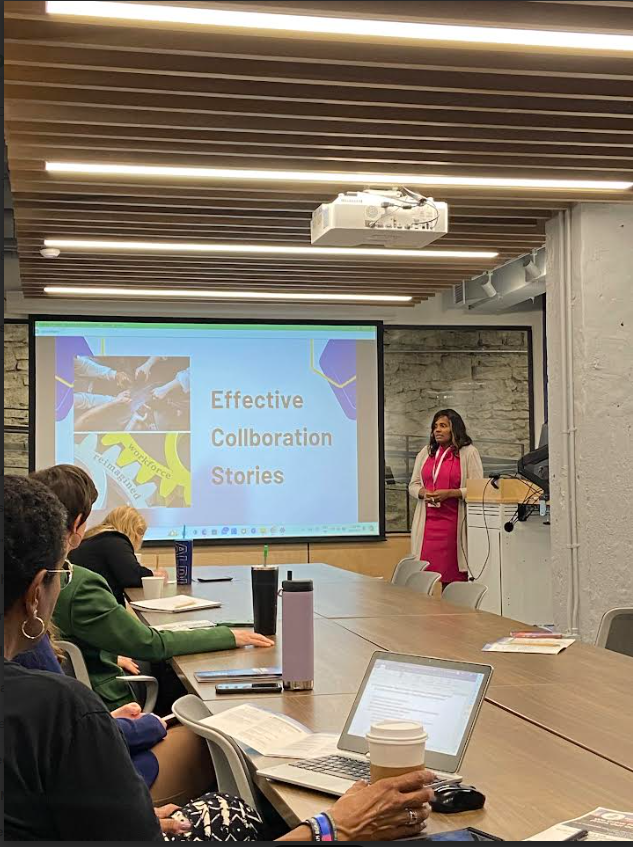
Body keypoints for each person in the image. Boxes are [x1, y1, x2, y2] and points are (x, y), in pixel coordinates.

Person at [4, 475, 435, 841]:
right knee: (239, 809)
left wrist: (124, 815)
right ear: (34, 591)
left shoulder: (42, 707)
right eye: (62, 574)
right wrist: (333, 827)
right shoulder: (58, 708)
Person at [28, 464, 273, 711]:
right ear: (77, 524)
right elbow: (149, 643)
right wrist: (227, 635)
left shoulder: (27, 579)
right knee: (185, 692)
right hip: (106, 706)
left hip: (73, 697)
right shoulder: (76, 583)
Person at [409, 409, 483, 586]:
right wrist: (424, 493)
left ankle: (451, 612)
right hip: (427, 524)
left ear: (454, 429)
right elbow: (413, 485)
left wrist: (451, 493)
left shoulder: (468, 452)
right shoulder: (426, 452)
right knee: (424, 575)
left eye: (443, 426)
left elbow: (478, 488)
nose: (437, 430)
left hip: (453, 524)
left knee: (453, 577)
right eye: (435, 427)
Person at [71, 505, 167, 606]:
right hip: (99, 609)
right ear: (134, 531)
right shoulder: (114, 541)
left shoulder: (93, 537)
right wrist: (155, 575)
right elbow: (132, 575)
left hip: (81, 605)